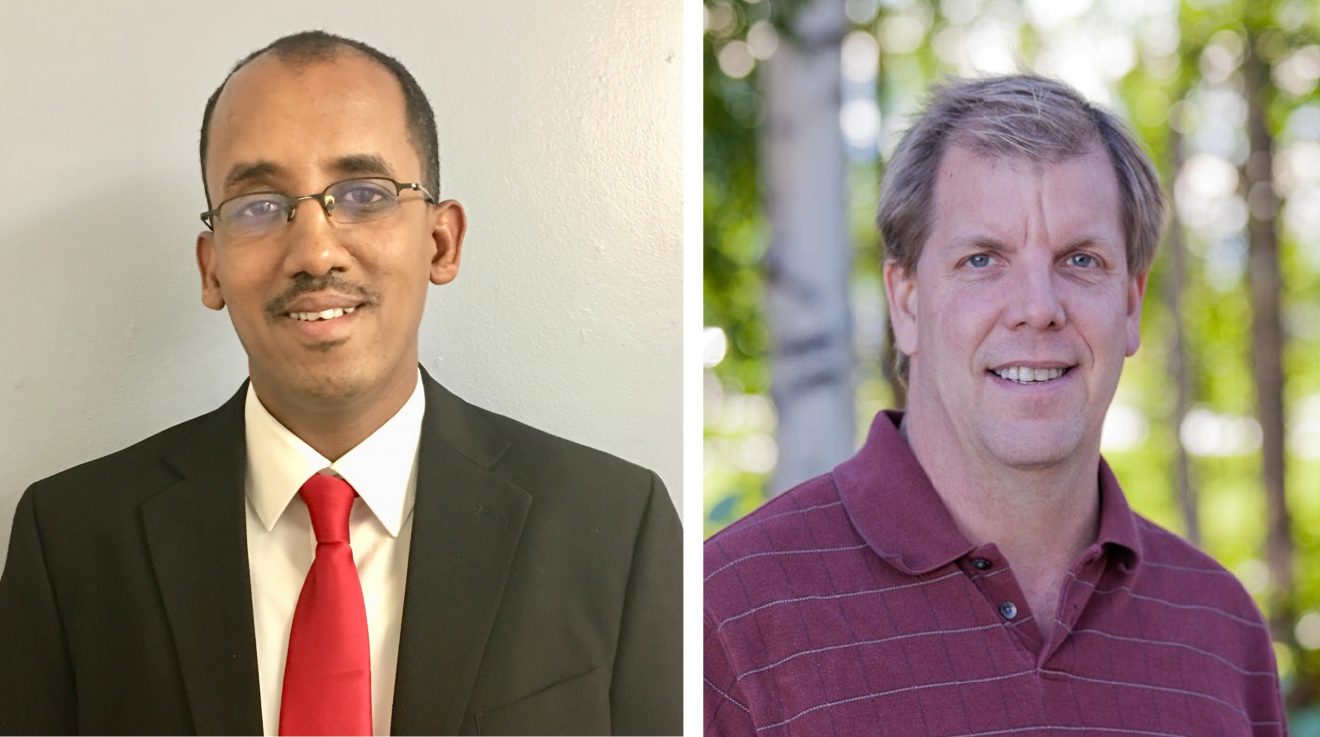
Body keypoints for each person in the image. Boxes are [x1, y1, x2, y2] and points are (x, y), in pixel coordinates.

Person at [0, 31, 680, 736]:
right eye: (260, 204)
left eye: (363, 193)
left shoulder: (614, 528)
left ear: (441, 243)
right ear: (211, 268)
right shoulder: (73, 542)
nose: (315, 250)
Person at [704, 75, 1285, 736]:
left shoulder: (1221, 629)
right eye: (983, 259)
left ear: (1130, 303)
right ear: (907, 301)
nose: (1038, 307)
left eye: (1080, 260)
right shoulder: (728, 614)